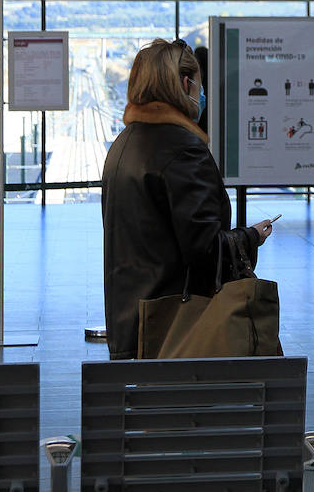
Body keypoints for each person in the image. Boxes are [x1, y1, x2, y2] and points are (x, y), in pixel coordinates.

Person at [100, 39, 276, 361]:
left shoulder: (124, 144)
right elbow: (204, 250)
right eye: (200, 84)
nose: (202, 93)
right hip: (177, 327)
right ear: (186, 84)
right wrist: (250, 237)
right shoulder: (183, 150)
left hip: (133, 320)